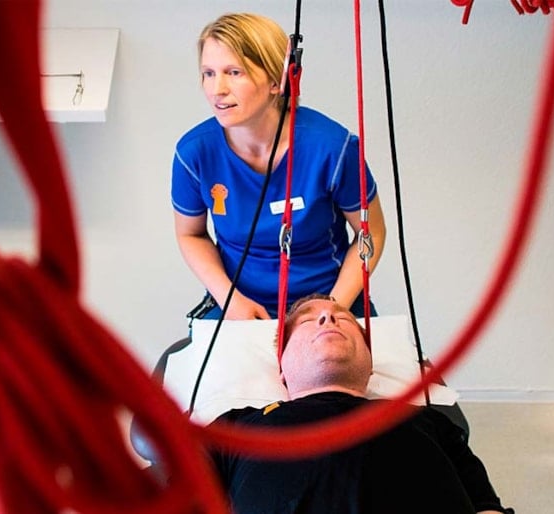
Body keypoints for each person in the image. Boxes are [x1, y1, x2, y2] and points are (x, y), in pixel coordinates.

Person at [171, 13, 388, 321]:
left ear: (278, 80)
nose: (217, 88)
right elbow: (190, 235)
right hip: (238, 304)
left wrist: (331, 308)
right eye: (208, 73)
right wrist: (230, 300)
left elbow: (372, 232)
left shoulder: (333, 149)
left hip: (330, 301)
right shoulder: (194, 154)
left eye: (234, 72)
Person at [209, 295, 512, 514]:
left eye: (344, 318)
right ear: (281, 368)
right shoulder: (233, 427)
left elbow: (487, 506)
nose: (327, 318)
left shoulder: (430, 420)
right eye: (307, 320)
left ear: (369, 363)